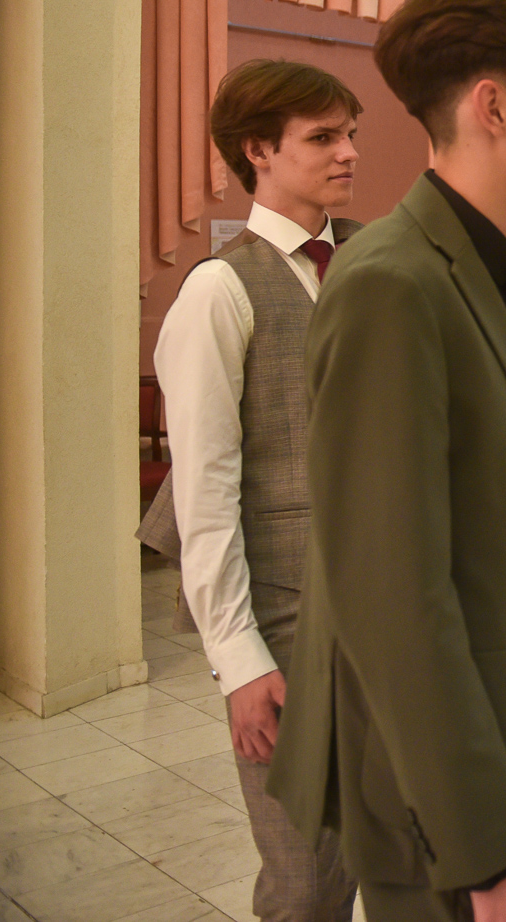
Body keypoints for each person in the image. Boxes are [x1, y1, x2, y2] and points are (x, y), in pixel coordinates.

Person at [267, 0, 506, 922]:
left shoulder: (473, 268)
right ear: (492, 107)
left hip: (499, 758)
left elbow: (494, 554)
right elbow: (392, 600)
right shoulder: (393, 285)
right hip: (438, 821)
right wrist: (492, 849)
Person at [139, 58, 363, 922]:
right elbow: (204, 491)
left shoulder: (374, 261)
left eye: (350, 134)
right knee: (307, 884)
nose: (348, 152)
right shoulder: (220, 288)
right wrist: (238, 661)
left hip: (392, 612)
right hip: (286, 619)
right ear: (258, 150)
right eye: (323, 137)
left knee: (400, 862)